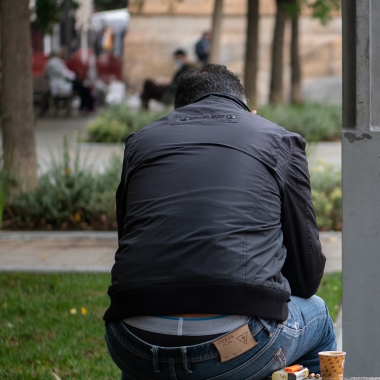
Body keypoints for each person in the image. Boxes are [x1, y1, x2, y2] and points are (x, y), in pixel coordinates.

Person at [104, 64, 334, 380]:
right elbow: (307, 278)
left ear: (178, 113)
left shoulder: (141, 142)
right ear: (248, 110)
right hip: (238, 345)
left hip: (131, 341)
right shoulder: (277, 139)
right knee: (317, 315)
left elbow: (132, 246)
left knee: (144, 342)